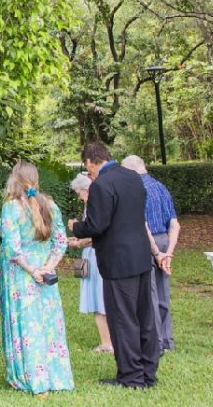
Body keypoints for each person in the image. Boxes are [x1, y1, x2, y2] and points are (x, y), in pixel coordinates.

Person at [70, 142, 160, 389]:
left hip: (118, 261)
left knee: (123, 318)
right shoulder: (133, 177)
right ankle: (147, 372)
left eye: (87, 167)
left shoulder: (101, 184)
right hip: (141, 256)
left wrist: (76, 226)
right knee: (144, 317)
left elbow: (97, 225)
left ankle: (131, 376)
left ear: (90, 162)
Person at [0, 161, 74, 394]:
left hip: (21, 274)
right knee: (48, 324)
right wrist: (49, 267)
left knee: (26, 324)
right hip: (45, 269)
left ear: (15, 180)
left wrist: (32, 270)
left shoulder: (12, 207)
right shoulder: (49, 204)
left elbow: (12, 247)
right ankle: (55, 377)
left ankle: (31, 378)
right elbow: (61, 241)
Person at [122, 155, 180, 351]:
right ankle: (167, 339)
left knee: (150, 294)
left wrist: (156, 253)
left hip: (147, 242)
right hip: (165, 239)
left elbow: (143, 225)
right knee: (163, 293)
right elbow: (174, 224)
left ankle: (155, 343)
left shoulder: (136, 190)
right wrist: (168, 253)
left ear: (130, 170)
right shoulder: (161, 187)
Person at [67, 173, 113, 354]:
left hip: (95, 256)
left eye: (79, 192)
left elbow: (97, 234)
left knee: (98, 297)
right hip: (94, 254)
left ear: (86, 190)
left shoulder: (93, 206)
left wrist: (79, 240)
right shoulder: (95, 205)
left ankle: (106, 342)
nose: (78, 196)